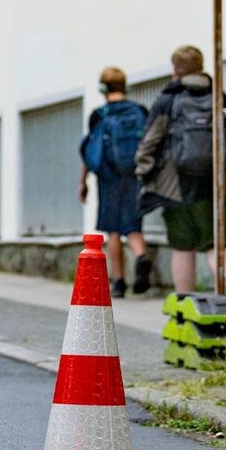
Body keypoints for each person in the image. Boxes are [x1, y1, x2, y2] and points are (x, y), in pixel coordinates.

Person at [136, 45, 226, 293]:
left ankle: (183, 304)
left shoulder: (168, 99)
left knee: (183, 247)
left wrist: (145, 174)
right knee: (218, 244)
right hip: (216, 187)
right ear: (201, 66)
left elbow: (149, 141)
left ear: (174, 70)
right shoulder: (220, 97)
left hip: (176, 188)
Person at [79, 67, 152, 298]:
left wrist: (83, 182)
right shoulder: (138, 110)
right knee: (132, 223)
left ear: (103, 88)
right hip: (135, 174)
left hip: (108, 176)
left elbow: (89, 150)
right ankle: (141, 255)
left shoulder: (99, 115)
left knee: (112, 229)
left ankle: (119, 281)